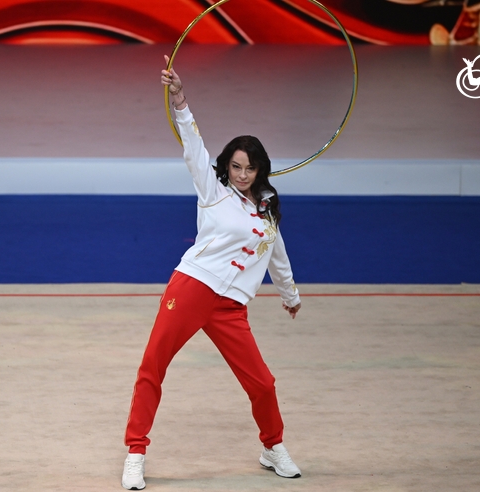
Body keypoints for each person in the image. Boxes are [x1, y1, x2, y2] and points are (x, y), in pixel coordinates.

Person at [121, 56, 303, 490]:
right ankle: (135, 453)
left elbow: (276, 255)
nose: (241, 175)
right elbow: (193, 146)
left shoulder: (267, 210)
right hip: (191, 289)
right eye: (236, 166)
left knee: (262, 382)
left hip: (231, 307)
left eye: (250, 168)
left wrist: (290, 295)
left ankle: (272, 446)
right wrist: (180, 100)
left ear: (261, 170)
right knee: (153, 367)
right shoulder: (213, 190)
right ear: (228, 165)